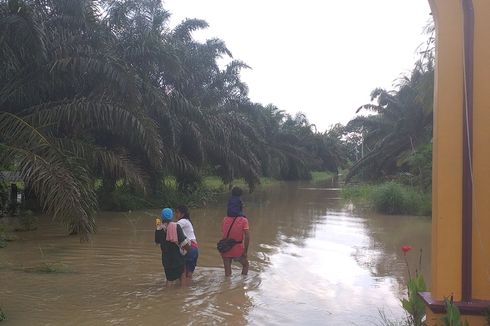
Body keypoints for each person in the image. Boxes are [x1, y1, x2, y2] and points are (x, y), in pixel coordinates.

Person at [155, 207, 190, 283]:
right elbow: (183, 242)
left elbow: (157, 242)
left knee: (169, 280)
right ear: (171, 216)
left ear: (162, 217)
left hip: (166, 259)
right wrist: (188, 250)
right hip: (177, 258)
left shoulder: (158, 228)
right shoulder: (176, 226)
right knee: (182, 276)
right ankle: (183, 293)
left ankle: (167, 293)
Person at [175, 205, 199, 279]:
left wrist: (161, 226)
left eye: (177, 212)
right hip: (194, 249)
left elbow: (173, 228)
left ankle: (183, 290)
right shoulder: (188, 221)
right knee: (189, 274)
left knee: (183, 274)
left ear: (182, 214)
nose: (176, 214)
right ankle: (188, 289)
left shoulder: (182, 221)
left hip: (188, 248)